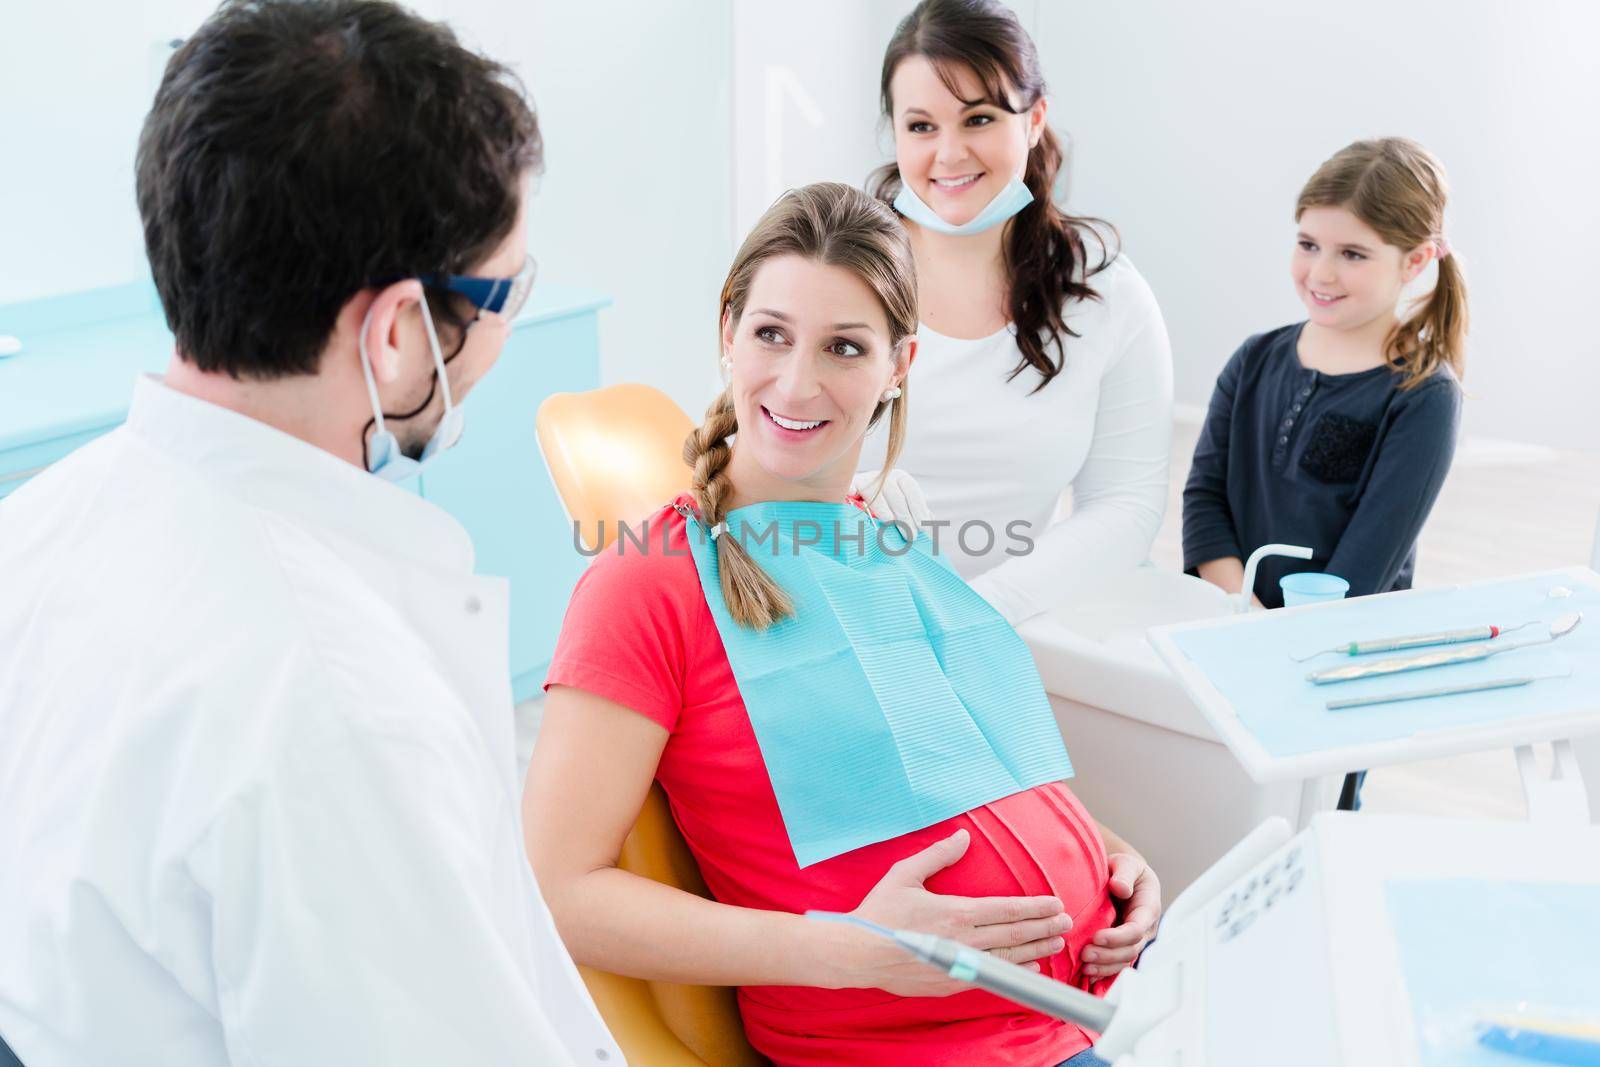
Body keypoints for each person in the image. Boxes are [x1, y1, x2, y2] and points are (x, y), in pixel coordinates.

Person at [0, 2, 619, 1063]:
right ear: (394, 334)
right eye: (505, 291)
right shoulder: (337, 704)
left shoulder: (34, 527)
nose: (509, 327)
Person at [528, 182, 1159, 1067]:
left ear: (901, 364)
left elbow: (970, 774)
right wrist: (845, 947)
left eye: (845, 347)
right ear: (727, 334)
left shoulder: (886, 543)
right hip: (929, 1049)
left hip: (1090, 1007)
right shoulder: (648, 582)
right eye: (772, 334)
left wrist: (1115, 860)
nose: (797, 381)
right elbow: (557, 891)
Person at [852, 0, 1174, 626]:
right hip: (836, 612)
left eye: (979, 118)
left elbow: (1125, 506)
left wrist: (975, 616)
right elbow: (744, 463)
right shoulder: (835, 272)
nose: (949, 154)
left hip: (1011, 628)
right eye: (921, 126)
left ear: (1034, 121)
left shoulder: (1107, 295)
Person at [1182, 137, 1466, 609]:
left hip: (1337, 648)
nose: (1320, 274)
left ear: (1414, 260)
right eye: (1308, 245)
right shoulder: (1253, 360)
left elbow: (1366, 565)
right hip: (1228, 620)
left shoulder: (1424, 396)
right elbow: (1204, 500)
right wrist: (1241, 610)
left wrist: (1273, 633)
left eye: (1352, 254)